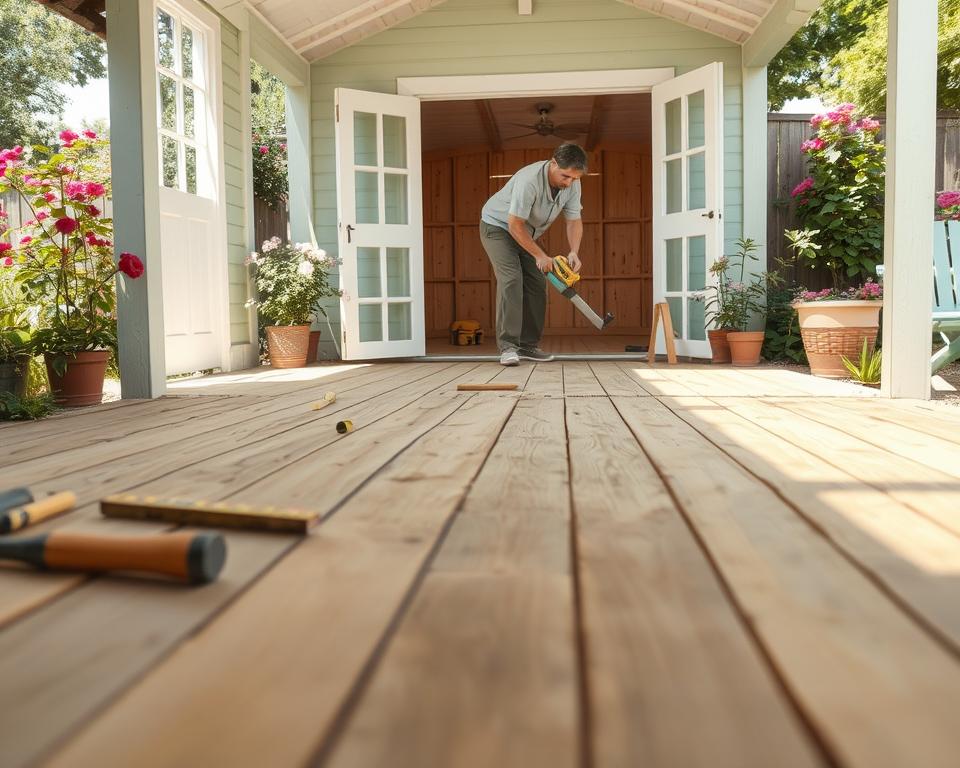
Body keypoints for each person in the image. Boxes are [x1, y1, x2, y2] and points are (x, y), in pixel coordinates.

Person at [479, 143, 587, 366]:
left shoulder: (572, 184)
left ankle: (527, 346)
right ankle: (508, 347)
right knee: (511, 280)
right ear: (553, 162)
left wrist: (574, 251)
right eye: (565, 176)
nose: (569, 183)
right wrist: (540, 256)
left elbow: (574, 220)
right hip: (497, 227)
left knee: (538, 283)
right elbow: (514, 224)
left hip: (525, 232)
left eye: (574, 178)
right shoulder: (529, 181)